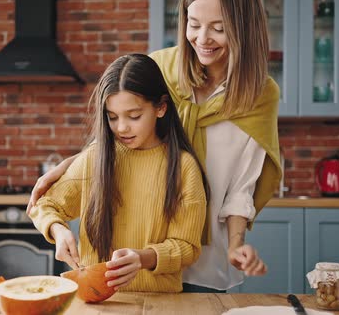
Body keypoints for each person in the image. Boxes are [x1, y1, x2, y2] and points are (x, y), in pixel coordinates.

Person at [28, 0, 281, 293]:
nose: (202, 39)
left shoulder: (259, 95)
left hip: (205, 260)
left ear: (243, 28)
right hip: (132, 270)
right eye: (194, 23)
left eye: (218, 28)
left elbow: (242, 185)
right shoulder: (161, 68)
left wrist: (235, 244)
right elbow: (120, 137)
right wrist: (73, 165)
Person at [28, 53, 209, 292]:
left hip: (161, 302)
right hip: (98, 302)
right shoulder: (97, 158)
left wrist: (143, 257)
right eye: (112, 117)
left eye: (134, 116)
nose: (122, 127)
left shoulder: (183, 166)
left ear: (161, 108)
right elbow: (45, 205)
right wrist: (58, 230)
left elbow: (187, 247)